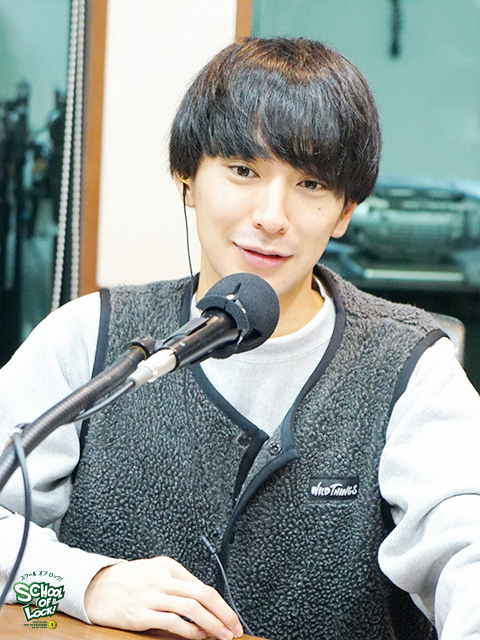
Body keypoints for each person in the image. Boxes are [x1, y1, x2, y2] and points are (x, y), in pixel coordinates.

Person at [0, 37, 479, 640]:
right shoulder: (90, 338)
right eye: (243, 171)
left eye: (311, 184)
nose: (272, 216)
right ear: (187, 179)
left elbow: (467, 547)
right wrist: (84, 584)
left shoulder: (412, 366)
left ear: (345, 211)